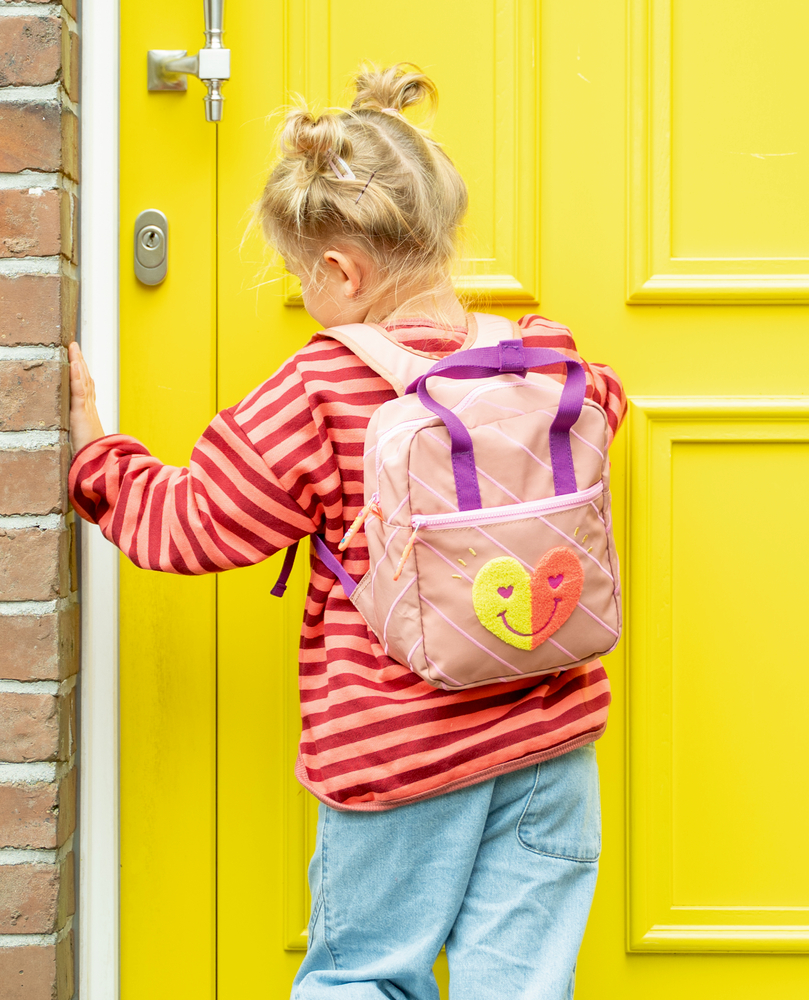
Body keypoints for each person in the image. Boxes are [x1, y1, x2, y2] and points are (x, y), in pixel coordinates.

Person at [68, 64, 625, 1000]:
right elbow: (606, 406)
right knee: (523, 985)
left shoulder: (319, 390)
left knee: (367, 977)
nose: (303, 293)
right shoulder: (545, 358)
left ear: (340, 271)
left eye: (299, 276)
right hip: (551, 742)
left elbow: (189, 525)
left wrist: (97, 456)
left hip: (399, 755)